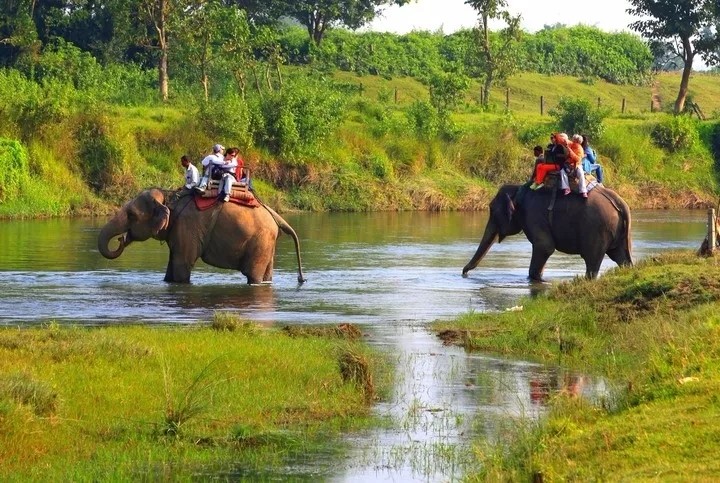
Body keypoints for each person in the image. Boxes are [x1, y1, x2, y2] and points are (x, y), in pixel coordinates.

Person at [559, 133, 588, 199]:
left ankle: (583, 191)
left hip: (577, 165)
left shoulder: (580, 148)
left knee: (581, 173)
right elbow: (567, 154)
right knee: (562, 171)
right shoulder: (571, 145)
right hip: (569, 165)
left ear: (578, 141)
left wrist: (570, 151)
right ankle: (566, 188)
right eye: (573, 140)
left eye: (574, 140)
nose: (573, 141)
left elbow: (577, 159)